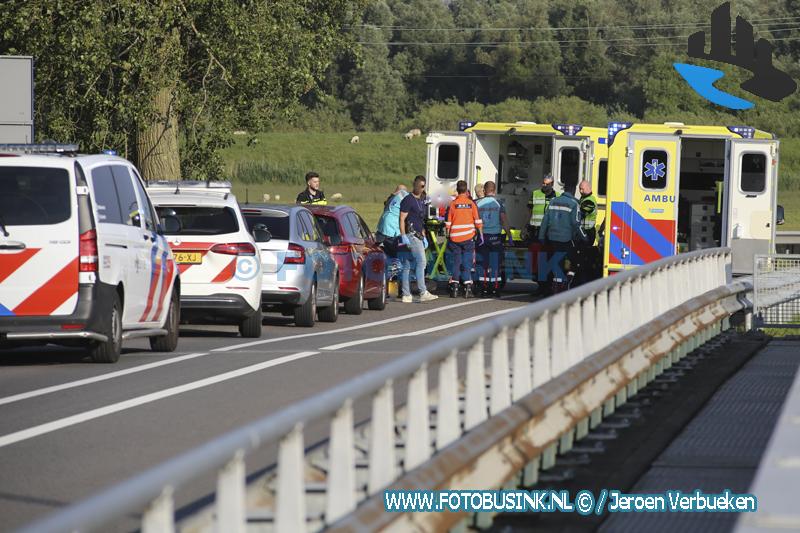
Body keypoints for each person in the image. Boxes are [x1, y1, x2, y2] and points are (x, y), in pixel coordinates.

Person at [538, 184, 585, 294]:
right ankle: (566, 282)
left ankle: (556, 286)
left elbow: (545, 221)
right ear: (574, 192)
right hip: (566, 238)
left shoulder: (553, 201)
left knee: (557, 262)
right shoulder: (574, 204)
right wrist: (584, 237)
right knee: (574, 261)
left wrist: (541, 236)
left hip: (553, 237)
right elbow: (576, 223)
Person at [399, 175, 438, 303]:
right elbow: (402, 218)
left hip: (418, 234)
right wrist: (403, 235)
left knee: (408, 265)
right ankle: (422, 291)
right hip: (411, 235)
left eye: (422, 186)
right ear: (414, 184)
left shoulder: (422, 200)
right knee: (422, 262)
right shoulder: (408, 200)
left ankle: (406, 294)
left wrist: (424, 235)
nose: (420, 188)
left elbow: (420, 220)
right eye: (418, 186)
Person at [445, 180, 483, 299]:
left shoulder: (452, 204)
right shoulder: (471, 204)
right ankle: (467, 289)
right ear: (466, 190)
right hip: (468, 238)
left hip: (455, 238)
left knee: (456, 262)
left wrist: (448, 235)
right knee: (467, 263)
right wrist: (481, 235)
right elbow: (478, 221)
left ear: (457, 190)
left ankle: (455, 288)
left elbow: (448, 223)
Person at [475, 181, 511, 296]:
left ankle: (483, 289)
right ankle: (495, 288)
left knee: (482, 264)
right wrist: (509, 236)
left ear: (484, 191)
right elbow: (504, 221)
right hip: (495, 237)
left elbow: (474, 221)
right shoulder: (499, 203)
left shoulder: (478, 204)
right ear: (494, 191)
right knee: (495, 264)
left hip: (482, 237)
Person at [376, 185, 409, 286]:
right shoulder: (406, 197)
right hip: (392, 230)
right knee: (400, 254)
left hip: (382, 228)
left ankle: (382, 277)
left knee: (379, 250)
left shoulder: (392, 198)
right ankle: (395, 280)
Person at [575, 180, 599, 285]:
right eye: (579, 188)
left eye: (582, 188)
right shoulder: (583, 198)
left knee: (584, 257)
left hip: (588, 232)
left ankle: (584, 280)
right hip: (583, 231)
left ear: (589, 188)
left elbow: (581, 214)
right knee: (581, 256)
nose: (580, 190)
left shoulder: (590, 200)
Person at [527, 174, 558, 241]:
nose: (544, 186)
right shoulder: (535, 193)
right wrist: (525, 226)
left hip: (550, 229)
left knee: (548, 250)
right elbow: (529, 211)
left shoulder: (557, 196)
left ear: (552, 184)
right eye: (543, 183)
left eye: (547, 184)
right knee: (535, 250)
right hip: (535, 228)